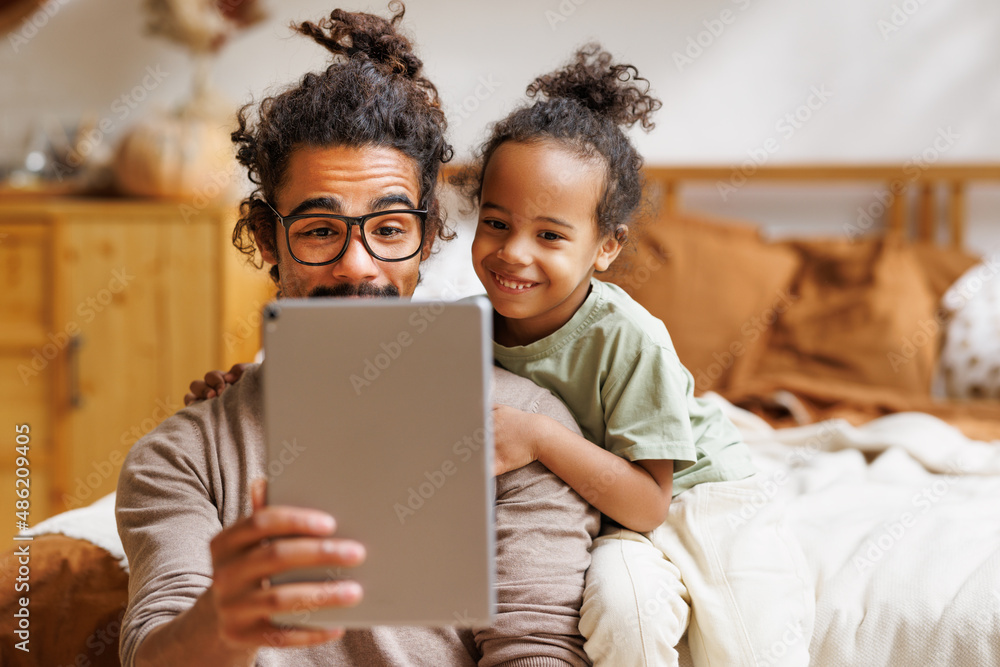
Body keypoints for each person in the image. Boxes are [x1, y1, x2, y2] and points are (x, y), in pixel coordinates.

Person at [115, 7, 599, 667]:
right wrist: (220, 622)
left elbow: (537, 648)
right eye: (318, 230)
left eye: (390, 228)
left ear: (427, 239)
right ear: (266, 240)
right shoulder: (180, 456)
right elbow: (154, 652)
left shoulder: (529, 430)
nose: (357, 264)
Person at [449, 46, 815, 666]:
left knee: (751, 646)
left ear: (606, 248)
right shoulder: (464, 327)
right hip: (612, 519)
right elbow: (369, 375)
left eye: (550, 235)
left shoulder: (627, 337)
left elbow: (652, 500)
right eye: (496, 222)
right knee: (623, 616)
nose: (513, 253)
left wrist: (537, 436)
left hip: (696, 496)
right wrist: (255, 378)